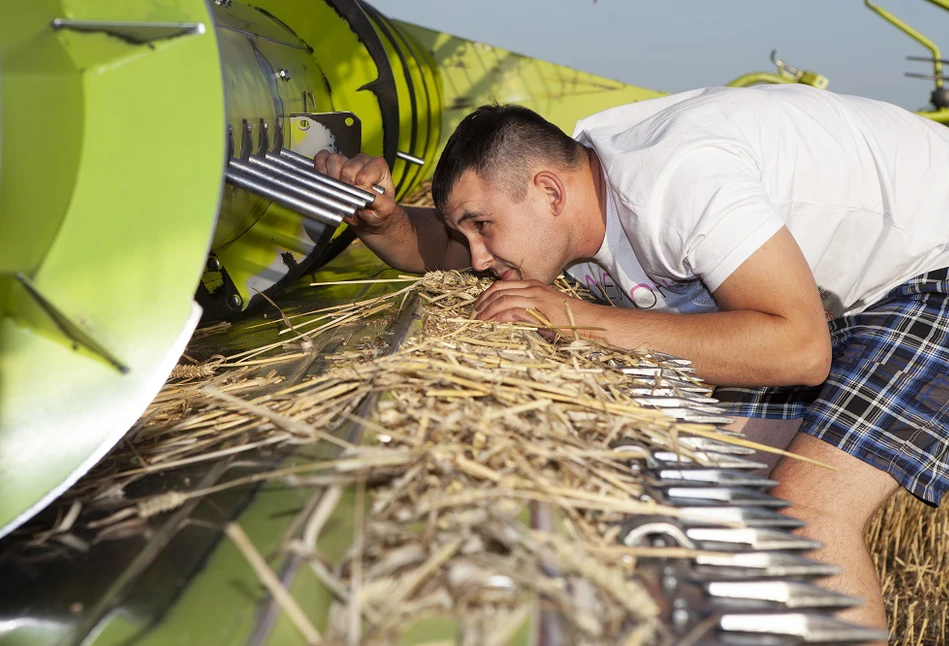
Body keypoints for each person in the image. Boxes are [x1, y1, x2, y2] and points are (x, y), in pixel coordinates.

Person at [314, 84, 949, 637]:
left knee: (804, 513)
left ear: (547, 190)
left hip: (932, 261)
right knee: (711, 487)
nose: (477, 257)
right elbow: (439, 249)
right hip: (844, 282)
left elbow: (800, 351)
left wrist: (584, 318)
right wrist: (386, 221)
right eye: (466, 232)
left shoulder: (675, 185)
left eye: (482, 225)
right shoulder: (579, 200)